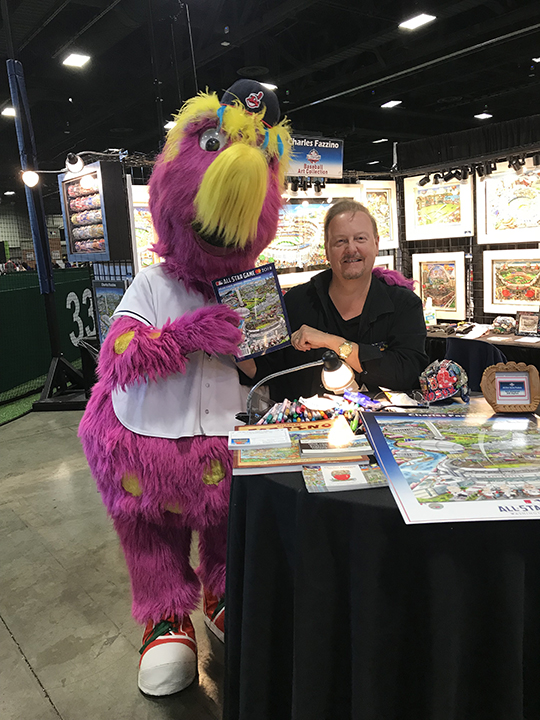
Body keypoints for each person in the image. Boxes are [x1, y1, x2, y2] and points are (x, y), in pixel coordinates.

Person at [239, 199, 429, 400]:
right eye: (341, 241)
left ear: (376, 244)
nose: (351, 249)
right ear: (327, 250)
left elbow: (409, 374)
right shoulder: (296, 302)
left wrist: (332, 342)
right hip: (307, 428)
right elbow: (266, 373)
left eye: (360, 238)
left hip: (384, 428)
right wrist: (233, 343)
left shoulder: (404, 305)